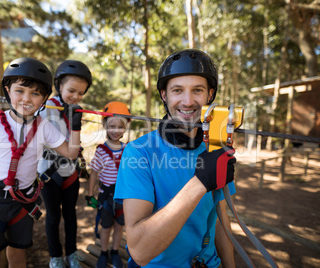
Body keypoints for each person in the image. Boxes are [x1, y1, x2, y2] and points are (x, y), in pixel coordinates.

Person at [0, 57, 83, 268]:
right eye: (20, 90)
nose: (27, 99)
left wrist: (76, 127)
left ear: (45, 98)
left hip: (21, 205)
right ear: (7, 90)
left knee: (18, 259)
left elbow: (70, 153)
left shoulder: (44, 127)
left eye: (35, 93)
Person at [114, 49, 237, 267]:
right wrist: (200, 183)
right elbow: (140, 251)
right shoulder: (139, 152)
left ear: (210, 95)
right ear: (164, 95)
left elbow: (219, 218)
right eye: (177, 90)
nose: (188, 101)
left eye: (197, 90)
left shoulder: (215, 148)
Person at [37, 60, 92, 268]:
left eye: (81, 93)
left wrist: (75, 120)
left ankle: (71, 253)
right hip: (49, 173)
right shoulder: (45, 109)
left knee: (70, 215)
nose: (76, 97)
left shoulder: (74, 109)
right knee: (53, 216)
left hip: (70, 172)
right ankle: (55, 256)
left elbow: (75, 144)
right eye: (72, 91)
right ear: (59, 85)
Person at [86, 102, 131, 268]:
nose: (116, 130)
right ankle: (104, 252)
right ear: (105, 125)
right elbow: (93, 173)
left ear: (125, 128)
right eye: (112, 126)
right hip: (106, 196)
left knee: (119, 226)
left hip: (122, 197)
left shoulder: (128, 149)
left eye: (120, 127)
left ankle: (114, 251)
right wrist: (90, 194)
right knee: (106, 227)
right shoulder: (101, 151)